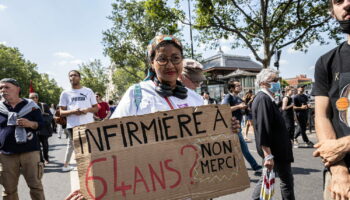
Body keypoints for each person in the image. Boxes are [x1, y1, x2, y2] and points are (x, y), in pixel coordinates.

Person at [65, 35, 240, 200]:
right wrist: (91, 183)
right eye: (162, 59)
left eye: (176, 58)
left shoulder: (194, 97)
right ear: (152, 62)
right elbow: (109, 140)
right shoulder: (137, 93)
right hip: (153, 186)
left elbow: (208, 137)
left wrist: (227, 128)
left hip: (193, 185)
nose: (170, 65)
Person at [312, 0, 350, 199]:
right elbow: (322, 116)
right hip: (339, 180)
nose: (347, 4)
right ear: (332, 13)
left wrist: (345, 145)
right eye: (338, 1)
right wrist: (339, 171)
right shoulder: (326, 62)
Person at [251, 69, 295, 200]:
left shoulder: (268, 99)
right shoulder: (263, 99)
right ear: (264, 83)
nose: (278, 83)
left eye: (278, 79)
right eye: (274, 80)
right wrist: (268, 155)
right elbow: (263, 128)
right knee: (284, 181)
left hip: (278, 148)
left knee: (271, 178)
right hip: (275, 150)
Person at [0, 78, 45, 200]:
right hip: (6, 154)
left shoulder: (31, 106)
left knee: (36, 187)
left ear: (17, 89)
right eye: (1, 88)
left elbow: (41, 125)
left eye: (7, 87)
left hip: (30, 152)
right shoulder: (0, 108)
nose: (3, 90)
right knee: (8, 190)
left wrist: (30, 124)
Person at [59, 70, 98, 172]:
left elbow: (96, 108)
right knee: (77, 149)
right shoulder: (65, 93)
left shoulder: (88, 91)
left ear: (80, 77)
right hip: (73, 126)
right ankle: (83, 171)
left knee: (89, 147)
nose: (73, 77)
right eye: (70, 76)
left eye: (75, 75)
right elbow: (61, 112)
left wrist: (87, 110)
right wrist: (72, 111)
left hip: (88, 124)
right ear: (69, 78)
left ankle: (91, 168)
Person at [221, 80, 262, 172]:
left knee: (238, 149)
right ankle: (255, 166)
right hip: (230, 127)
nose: (240, 87)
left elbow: (244, 111)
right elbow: (223, 109)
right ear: (232, 88)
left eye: (240, 85)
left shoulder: (239, 98)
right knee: (243, 148)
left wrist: (246, 108)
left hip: (237, 126)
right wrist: (239, 106)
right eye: (237, 86)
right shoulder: (229, 97)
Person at [29, 92, 53, 165]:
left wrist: (44, 120)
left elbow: (50, 116)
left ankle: (46, 158)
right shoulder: (28, 106)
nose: (32, 99)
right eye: (30, 98)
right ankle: (41, 160)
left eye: (34, 97)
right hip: (34, 130)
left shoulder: (43, 105)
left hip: (43, 129)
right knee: (37, 147)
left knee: (45, 145)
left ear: (37, 98)